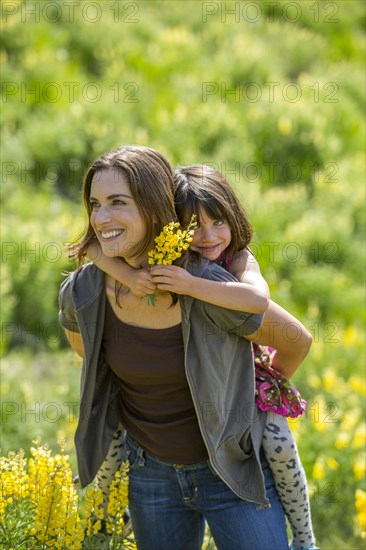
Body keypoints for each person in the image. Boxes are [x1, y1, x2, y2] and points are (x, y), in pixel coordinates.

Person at [59, 145, 291, 550]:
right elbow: (86, 353)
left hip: (229, 473)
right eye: (95, 204)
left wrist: (257, 400)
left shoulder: (206, 284)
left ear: (152, 207)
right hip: (151, 474)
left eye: (117, 203)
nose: (101, 217)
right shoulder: (85, 290)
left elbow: (296, 340)